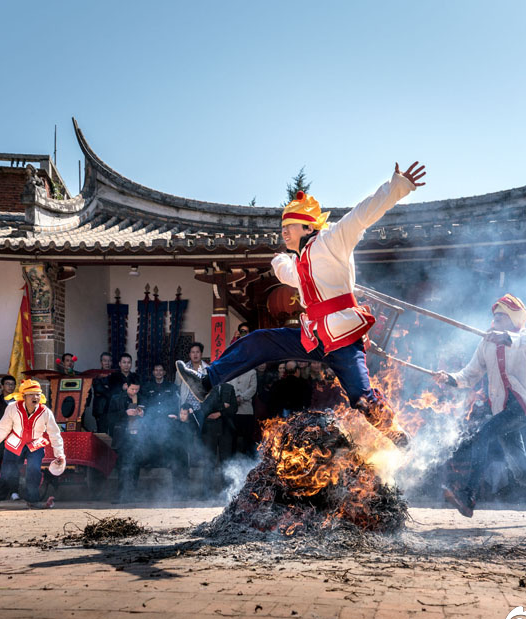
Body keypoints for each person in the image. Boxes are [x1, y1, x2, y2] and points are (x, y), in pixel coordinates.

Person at [176, 163, 427, 448]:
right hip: (315, 338)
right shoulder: (300, 263)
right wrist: (280, 259)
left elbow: (362, 213)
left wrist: (397, 186)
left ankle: (393, 433)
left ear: (308, 226)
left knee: (361, 397)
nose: (284, 231)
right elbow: (287, 274)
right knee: (259, 341)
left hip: (343, 337)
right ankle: (206, 380)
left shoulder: (333, 239)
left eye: (289, 225)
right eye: (282, 226)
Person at [434, 294, 526, 526]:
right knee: (521, 471)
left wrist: (508, 337)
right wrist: (449, 378)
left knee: (484, 433)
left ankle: (468, 496)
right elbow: (469, 374)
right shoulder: (486, 343)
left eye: (502, 315)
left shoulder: (524, 337)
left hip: (520, 405)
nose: (496, 318)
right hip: (502, 409)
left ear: (512, 319)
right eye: (495, 315)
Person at [0, 380, 65, 509]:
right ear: (23, 396)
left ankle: (33, 499)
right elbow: (3, 428)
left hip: (35, 444)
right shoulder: (12, 407)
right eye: (31, 394)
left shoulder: (45, 411)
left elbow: (54, 434)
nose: (35, 397)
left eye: (37, 394)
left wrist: (59, 454)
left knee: (34, 470)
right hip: (15, 443)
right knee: (7, 472)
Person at [108, 377, 144, 502]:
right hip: (123, 436)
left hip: (137, 436)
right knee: (123, 466)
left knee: (135, 466)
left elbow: (150, 413)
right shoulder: (117, 398)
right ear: (126, 386)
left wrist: (142, 413)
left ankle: (132, 494)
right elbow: (110, 418)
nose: (134, 392)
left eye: (137, 389)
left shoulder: (141, 397)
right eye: (132, 389)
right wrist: (125, 413)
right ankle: (121, 494)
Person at [199, 381, 237, 497]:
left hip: (226, 428)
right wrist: (223, 406)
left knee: (226, 461)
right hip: (209, 429)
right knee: (209, 460)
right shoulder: (205, 387)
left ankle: (227, 492)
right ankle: (207, 492)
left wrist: (220, 413)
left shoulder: (229, 388)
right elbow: (205, 408)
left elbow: (234, 408)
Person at [178, 343, 208, 418]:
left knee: (200, 428)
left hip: (202, 408)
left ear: (201, 354)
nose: (195, 355)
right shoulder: (182, 369)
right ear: (189, 354)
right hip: (186, 409)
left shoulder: (207, 369)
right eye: (193, 352)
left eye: (197, 352)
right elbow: (177, 386)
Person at [89, 352, 115, 433]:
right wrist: (111, 392)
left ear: (112, 362)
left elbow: (117, 389)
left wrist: (107, 388)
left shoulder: (115, 375)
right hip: (100, 408)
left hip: (113, 409)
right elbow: (99, 389)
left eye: (109, 361)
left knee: (113, 434)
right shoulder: (96, 375)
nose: (107, 363)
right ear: (101, 362)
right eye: (105, 361)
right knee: (102, 434)